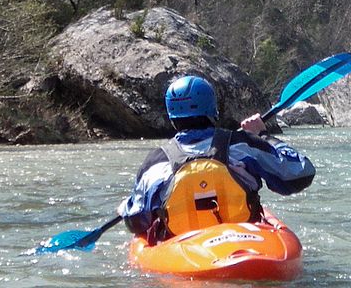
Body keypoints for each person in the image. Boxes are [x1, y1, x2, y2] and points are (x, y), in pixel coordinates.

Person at [118, 74, 315, 243]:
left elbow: (136, 221)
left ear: (172, 115)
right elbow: (300, 173)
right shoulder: (242, 145)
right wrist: (262, 135)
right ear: (212, 109)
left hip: (186, 248)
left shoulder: (155, 162)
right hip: (245, 240)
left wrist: (127, 206)